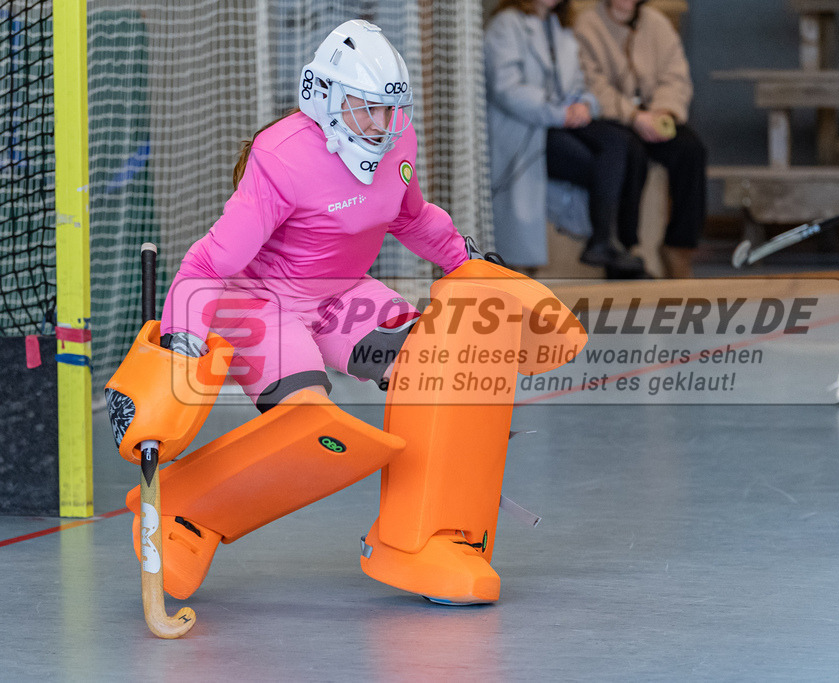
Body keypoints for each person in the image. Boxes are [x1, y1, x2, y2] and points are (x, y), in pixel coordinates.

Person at [108, 19, 585, 606]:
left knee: (443, 366)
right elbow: (206, 268)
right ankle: (184, 511)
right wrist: (179, 349)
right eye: (367, 110)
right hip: (260, 304)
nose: (383, 126)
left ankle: (423, 543)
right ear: (324, 98)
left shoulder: (397, 139)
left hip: (339, 294)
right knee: (313, 432)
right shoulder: (281, 157)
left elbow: (410, 218)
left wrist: (468, 260)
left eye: (391, 110)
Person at [484, 0, 647, 277]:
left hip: (562, 120)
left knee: (626, 143)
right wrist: (558, 112)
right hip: (531, 128)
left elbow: (578, 83)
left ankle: (608, 242)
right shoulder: (506, 25)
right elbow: (506, 89)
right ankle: (605, 243)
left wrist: (584, 104)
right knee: (600, 163)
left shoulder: (561, 27)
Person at [575, 0, 707, 278]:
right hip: (614, 120)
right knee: (629, 152)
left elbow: (676, 77)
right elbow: (592, 84)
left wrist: (662, 113)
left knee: (691, 150)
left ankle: (678, 245)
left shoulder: (656, 24)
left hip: (656, 115)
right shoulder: (587, 25)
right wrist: (634, 116)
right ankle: (627, 248)